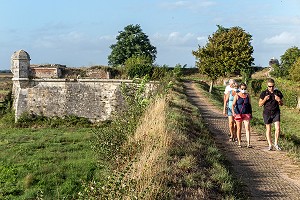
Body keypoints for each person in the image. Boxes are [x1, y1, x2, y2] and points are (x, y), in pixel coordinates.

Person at [259, 78, 284, 151]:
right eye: (269, 86)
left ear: (274, 85)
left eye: (272, 86)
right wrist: (265, 99)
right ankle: (270, 145)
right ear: (267, 86)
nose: (271, 88)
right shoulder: (264, 93)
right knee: (268, 129)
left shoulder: (277, 92)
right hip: (267, 113)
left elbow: (282, 104)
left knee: (278, 128)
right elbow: (260, 104)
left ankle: (276, 143)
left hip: (276, 112)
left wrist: (279, 100)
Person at [232, 83, 252, 148]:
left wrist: (250, 113)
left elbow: (250, 104)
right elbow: (233, 104)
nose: (243, 90)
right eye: (242, 88)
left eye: (245, 89)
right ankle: (239, 142)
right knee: (239, 128)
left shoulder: (248, 95)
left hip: (246, 113)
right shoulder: (237, 95)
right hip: (238, 113)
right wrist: (233, 112)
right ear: (240, 89)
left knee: (247, 128)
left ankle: (248, 143)